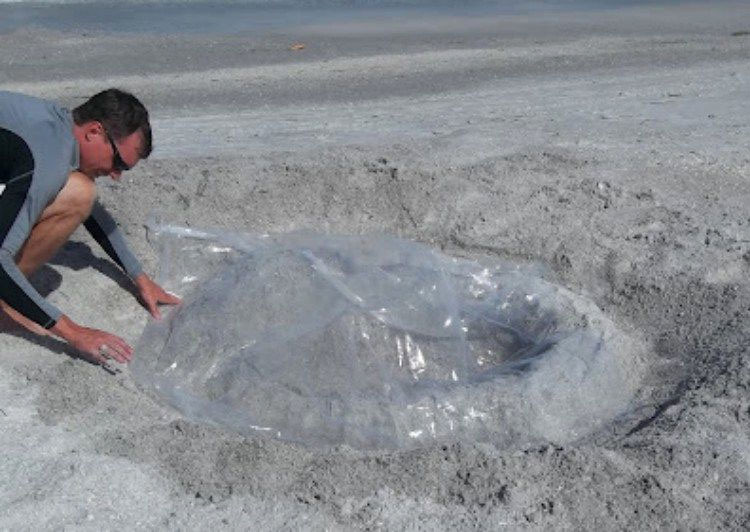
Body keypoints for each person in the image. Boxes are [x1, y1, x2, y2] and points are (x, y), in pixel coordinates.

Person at [0, 88, 180, 366]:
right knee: (79, 192)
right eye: (118, 163)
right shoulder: (47, 156)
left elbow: (91, 211)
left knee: (80, 191)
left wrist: (139, 277)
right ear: (94, 131)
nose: (116, 175)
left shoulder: (56, 130)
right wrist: (74, 332)